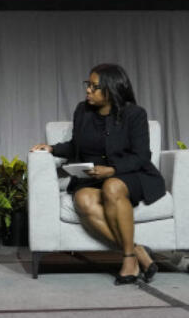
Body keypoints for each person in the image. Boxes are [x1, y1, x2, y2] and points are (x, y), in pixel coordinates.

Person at [32, 63, 165, 284]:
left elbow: (142, 156)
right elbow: (76, 145)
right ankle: (137, 250)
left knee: (112, 186)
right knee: (83, 199)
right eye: (88, 85)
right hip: (94, 177)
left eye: (94, 86)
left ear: (111, 90)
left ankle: (128, 260)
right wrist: (53, 149)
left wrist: (112, 170)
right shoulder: (82, 111)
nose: (88, 90)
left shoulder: (134, 114)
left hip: (132, 174)